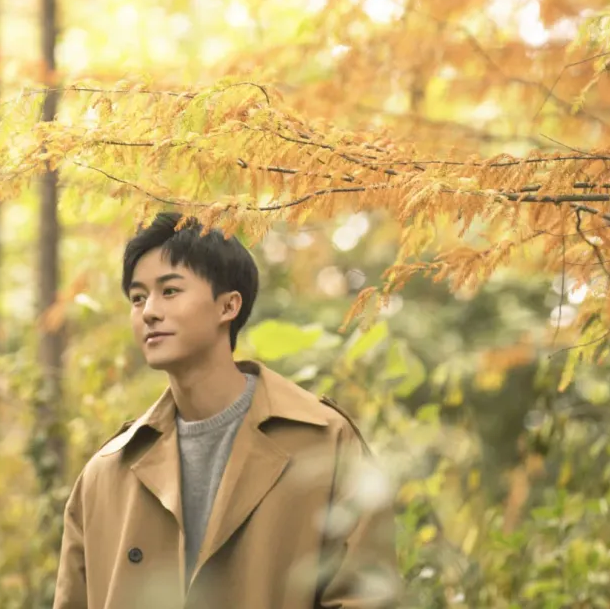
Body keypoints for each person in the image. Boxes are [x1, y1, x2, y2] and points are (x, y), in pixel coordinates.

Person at [53, 211, 401, 609]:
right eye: (138, 298)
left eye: (170, 291)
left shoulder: (323, 439)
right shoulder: (106, 474)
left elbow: (364, 595)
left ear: (228, 306)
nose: (149, 311)